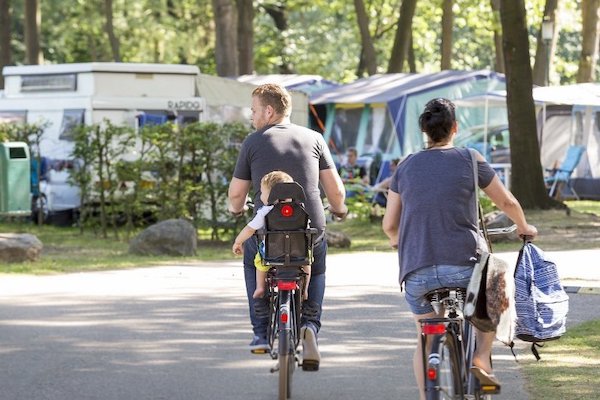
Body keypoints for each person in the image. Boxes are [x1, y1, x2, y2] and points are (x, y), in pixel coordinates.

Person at [382, 98, 538, 399]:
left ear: (424, 131)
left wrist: (396, 241)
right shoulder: (470, 158)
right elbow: (506, 202)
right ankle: (481, 357)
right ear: (455, 127)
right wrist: (523, 227)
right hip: (465, 266)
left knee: (424, 338)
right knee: (494, 286)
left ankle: (428, 395)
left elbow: (390, 224)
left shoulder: (405, 166)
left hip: (416, 272)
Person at [228, 83, 347, 366]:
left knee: (251, 259)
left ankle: (259, 333)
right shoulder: (314, 138)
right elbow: (337, 193)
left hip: (268, 233)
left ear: (269, 111)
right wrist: (340, 210)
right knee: (315, 269)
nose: (252, 117)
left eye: (254, 111)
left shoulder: (253, 142)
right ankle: (309, 326)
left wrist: (236, 209)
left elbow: (236, 195)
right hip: (308, 231)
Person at [232, 170, 311, 300]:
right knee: (307, 261)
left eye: (263, 193)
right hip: (298, 251)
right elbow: (306, 228)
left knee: (259, 261)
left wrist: (238, 242)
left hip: (272, 252)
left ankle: (260, 288)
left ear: (271, 195)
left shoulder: (266, 211)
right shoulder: (300, 210)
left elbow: (250, 229)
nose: (261, 196)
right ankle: (305, 289)